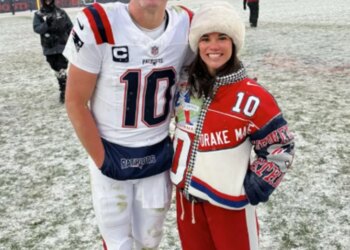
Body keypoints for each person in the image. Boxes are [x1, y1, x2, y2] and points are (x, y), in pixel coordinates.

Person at [62, 0, 193, 249]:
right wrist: (103, 159)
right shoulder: (100, 24)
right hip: (111, 150)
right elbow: (75, 101)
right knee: (118, 244)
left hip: (157, 154)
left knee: (149, 240)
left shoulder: (186, 24)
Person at [170, 2, 295, 250]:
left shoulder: (252, 96)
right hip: (187, 203)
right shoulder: (183, 86)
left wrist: (253, 188)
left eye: (222, 37)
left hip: (230, 206)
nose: (213, 46)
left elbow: (281, 147)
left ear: (234, 42)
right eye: (205, 38)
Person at [33, 0, 73, 103]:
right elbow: (37, 29)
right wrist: (46, 24)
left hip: (62, 45)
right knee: (56, 69)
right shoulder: (39, 14)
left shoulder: (61, 12)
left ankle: (64, 91)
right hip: (49, 47)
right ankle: (64, 87)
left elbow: (70, 27)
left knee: (62, 68)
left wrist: (72, 39)